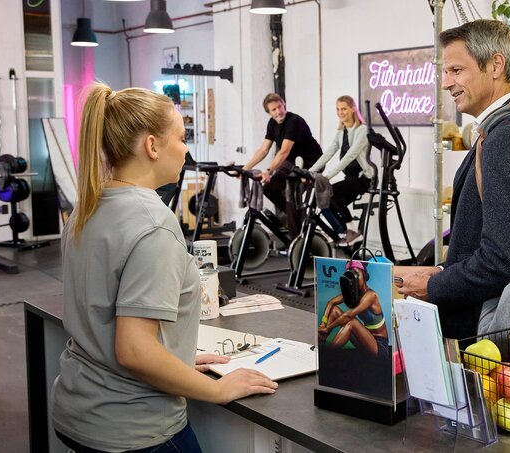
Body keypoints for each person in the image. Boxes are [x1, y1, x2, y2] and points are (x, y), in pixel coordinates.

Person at [51, 84, 277, 453]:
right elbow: (135, 351)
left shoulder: (89, 206)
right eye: (182, 137)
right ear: (152, 146)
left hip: (77, 411)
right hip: (135, 427)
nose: (186, 148)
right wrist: (217, 389)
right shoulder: (152, 223)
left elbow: (108, 312)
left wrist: (176, 358)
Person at [395, 19, 510, 340]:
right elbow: (489, 242)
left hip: (485, 331)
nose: (445, 83)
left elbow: (504, 260)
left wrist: (433, 285)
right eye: (445, 72)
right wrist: (440, 270)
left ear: (495, 65)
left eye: (456, 71)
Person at [243, 93, 323, 237]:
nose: (278, 111)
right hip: (292, 164)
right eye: (273, 110)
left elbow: (284, 151)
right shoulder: (272, 124)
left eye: (279, 107)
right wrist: (245, 168)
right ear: (269, 113)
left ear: (284, 104)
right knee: (269, 188)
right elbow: (263, 149)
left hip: (311, 163)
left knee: (291, 198)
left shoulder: (294, 121)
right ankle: (296, 217)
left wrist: (268, 170)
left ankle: (296, 239)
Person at [309, 95, 374, 247]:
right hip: (350, 178)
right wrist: (310, 171)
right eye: (338, 109)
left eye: (344, 108)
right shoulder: (341, 132)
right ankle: (343, 232)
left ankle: (353, 231)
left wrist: (328, 176)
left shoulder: (362, 130)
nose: (340, 112)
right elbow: (329, 152)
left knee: (332, 192)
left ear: (352, 109)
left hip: (364, 178)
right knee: (327, 203)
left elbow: (351, 155)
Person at [317, 260, 391, 360]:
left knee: (352, 322)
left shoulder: (371, 295)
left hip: (379, 347)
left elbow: (349, 315)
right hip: (364, 341)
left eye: (357, 275)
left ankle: (328, 354)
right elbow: (332, 303)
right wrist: (323, 323)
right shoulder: (355, 294)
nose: (354, 279)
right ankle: (321, 341)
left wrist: (328, 328)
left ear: (364, 275)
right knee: (334, 310)